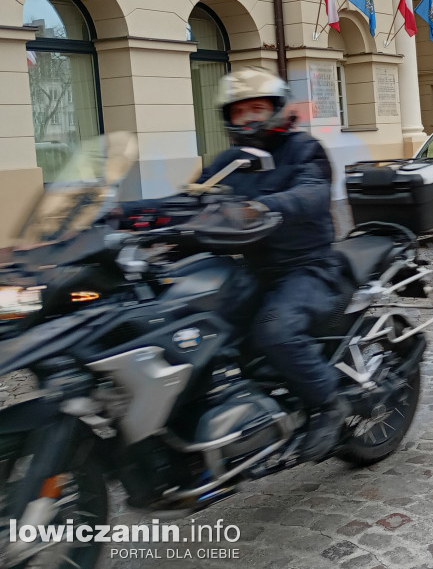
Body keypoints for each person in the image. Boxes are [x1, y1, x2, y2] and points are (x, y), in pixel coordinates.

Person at [124, 67, 348, 463]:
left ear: (276, 109)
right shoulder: (231, 161)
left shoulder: (303, 149)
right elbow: (189, 202)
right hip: (252, 270)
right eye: (240, 112)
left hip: (308, 267)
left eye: (258, 109)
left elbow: (311, 193)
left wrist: (264, 206)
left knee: (274, 331)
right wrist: (120, 215)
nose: (249, 119)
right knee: (193, 327)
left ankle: (329, 404)